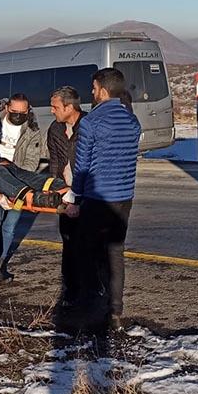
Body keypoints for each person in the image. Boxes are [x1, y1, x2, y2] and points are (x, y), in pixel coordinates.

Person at [64, 68, 141, 328]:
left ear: (103, 90)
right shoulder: (132, 122)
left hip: (97, 198)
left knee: (88, 254)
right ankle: (115, 312)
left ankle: (91, 309)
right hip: (124, 197)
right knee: (115, 252)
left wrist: (74, 197)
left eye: (94, 89)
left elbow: (82, 165)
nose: (92, 93)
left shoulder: (91, 123)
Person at [0, 93, 48, 283]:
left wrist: (13, 179)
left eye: (22, 112)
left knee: (9, 226)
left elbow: (31, 162)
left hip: (17, 183)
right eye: (14, 112)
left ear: (28, 111)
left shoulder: (32, 131)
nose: (18, 115)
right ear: (6, 108)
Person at [48, 86, 85, 304]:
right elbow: (54, 161)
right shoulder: (54, 129)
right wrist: (54, 188)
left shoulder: (89, 126)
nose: (52, 111)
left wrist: (80, 197)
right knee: (68, 241)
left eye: (55, 107)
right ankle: (70, 290)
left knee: (88, 242)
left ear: (69, 107)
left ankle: (90, 288)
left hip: (86, 193)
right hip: (64, 191)